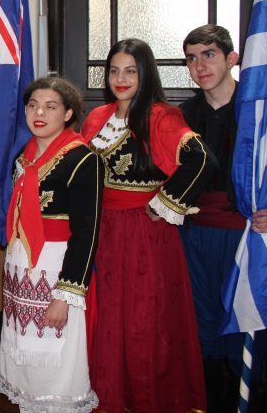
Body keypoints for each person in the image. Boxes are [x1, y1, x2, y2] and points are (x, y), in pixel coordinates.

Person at [81, 38, 216, 412]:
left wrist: (165, 203)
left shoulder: (159, 117)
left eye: (131, 71)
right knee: (106, 322)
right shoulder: (96, 117)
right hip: (102, 235)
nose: (121, 79)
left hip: (143, 238)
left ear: (145, 74)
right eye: (114, 70)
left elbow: (201, 160)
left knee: (144, 325)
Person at [0, 77, 102, 413]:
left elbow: (87, 234)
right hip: (19, 270)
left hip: (56, 271)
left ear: (69, 113)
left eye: (51, 106)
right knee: (24, 359)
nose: (39, 112)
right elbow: (14, 214)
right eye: (33, 105)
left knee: (54, 366)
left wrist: (63, 296)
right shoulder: (22, 158)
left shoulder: (83, 160)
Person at [180, 24, 267, 410]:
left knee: (242, 324)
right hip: (194, 234)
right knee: (199, 323)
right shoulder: (182, 115)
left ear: (233, 59)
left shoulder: (261, 110)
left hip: (246, 234)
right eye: (191, 58)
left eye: (209, 55)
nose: (199, 65)